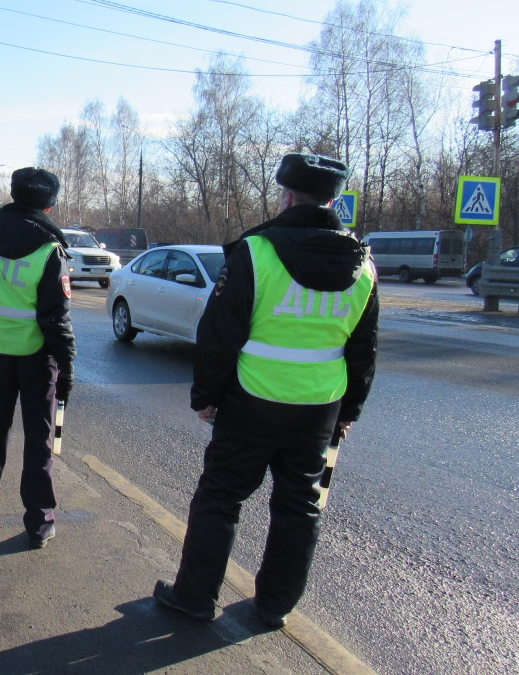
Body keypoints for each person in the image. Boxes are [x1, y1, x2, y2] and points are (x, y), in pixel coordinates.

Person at [151, 153, 379, 628]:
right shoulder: (362, 265)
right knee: (299, 506)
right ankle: (275, 606)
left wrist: (206, 397)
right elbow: (363, 348)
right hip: (318, 410)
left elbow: (219, 334)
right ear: (333, 200)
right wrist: (349, 410)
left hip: (251, 403)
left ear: (288, 197)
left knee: (220, 497)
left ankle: (194, 598)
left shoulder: (256, 253)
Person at [0, 167, 76, 549]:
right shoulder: (48, 249)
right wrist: (67, 367)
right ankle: (39, 524)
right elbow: (55, 319)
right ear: (49, 207)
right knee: (40, 440)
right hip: (37, 358)